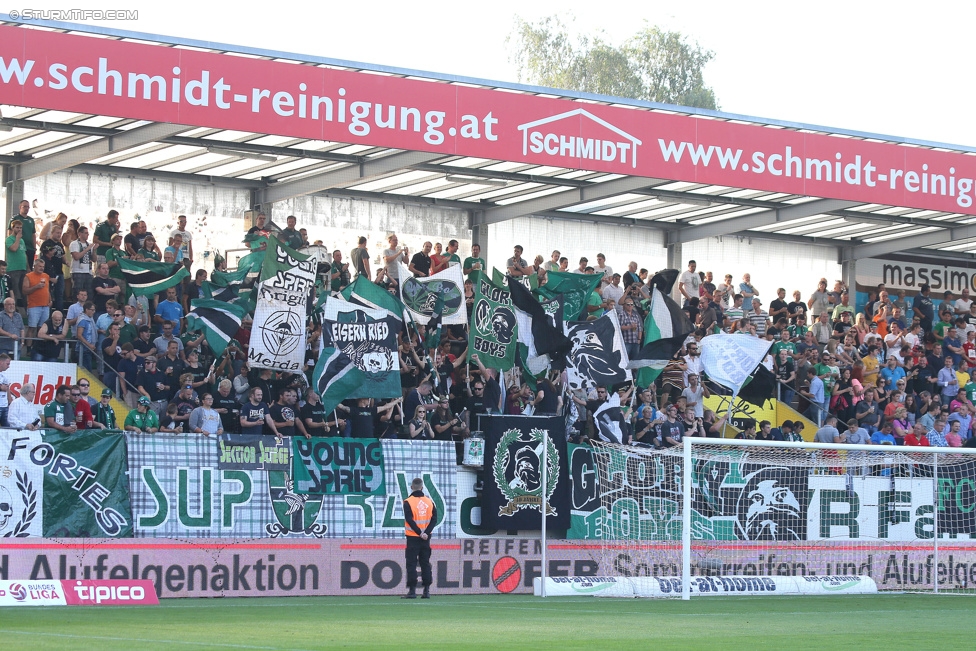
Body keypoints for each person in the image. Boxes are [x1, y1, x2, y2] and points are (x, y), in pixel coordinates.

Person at [402, 476, 437, 599]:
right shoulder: (429, 502)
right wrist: (426, 533)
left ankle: (412, 591)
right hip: (426, 538)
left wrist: (419, 532)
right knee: (425, 563)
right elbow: (434, 520)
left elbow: (409, 519)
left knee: (411, 563)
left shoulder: (408, 502)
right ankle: (426, 591)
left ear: (412, 488)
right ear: (422, 487)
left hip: (412, 537)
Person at [68, 225, 96, 299]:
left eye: (88, 233)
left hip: (88, 271)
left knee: (89, 292)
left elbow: (94, 259)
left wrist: (94, 250)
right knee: (78, 291)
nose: (87, 235)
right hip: (78, 271)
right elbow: (76, 257)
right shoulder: (74, 244)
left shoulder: (89, 244)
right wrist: (87, 249)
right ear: (80, 234)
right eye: (85, 233)